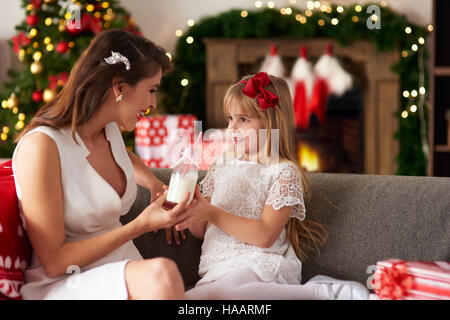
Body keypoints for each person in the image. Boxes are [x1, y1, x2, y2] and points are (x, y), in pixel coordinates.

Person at [11, 29, 194, 300]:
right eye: (151, 90)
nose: (153, 103)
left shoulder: (109, 132)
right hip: (66, 282)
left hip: (122, 269)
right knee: (163, 275)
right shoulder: (41, 147)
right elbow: (54, 261)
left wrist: (154, 183)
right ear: (119, 87)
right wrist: (141, 225)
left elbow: (123, 160)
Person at [174, 72, 369, 300]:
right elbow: (201, 229)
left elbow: (265, 235)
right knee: (188, 300)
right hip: (216, 268)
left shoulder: (283, 172)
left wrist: (211, 212)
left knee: (227, 293)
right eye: (229, 118)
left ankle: (323, 293)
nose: (232, 128)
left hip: (258, 264)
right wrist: (191, 210)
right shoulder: (221, 166)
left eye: (243, 120)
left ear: (270, 123)